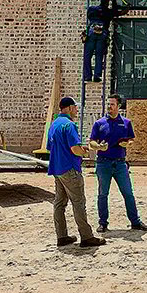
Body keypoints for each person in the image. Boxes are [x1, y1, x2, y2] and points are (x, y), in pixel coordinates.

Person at [46, 96, 107, 247]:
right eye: (75, 107)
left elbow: (50, 147)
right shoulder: (69, 125)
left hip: (57, 169)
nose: (76, 110)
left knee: (59, 203)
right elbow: (74, 149)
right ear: (68, 108)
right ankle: (86, 237)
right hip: (70, 169)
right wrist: (84, 152)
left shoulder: (53, 125)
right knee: (79, 202)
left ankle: (62, 236)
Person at [90, 94, 147, 234]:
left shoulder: (126, 123)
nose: (109, 107)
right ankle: (103, 223)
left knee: (128, 193)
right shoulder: (99, 123)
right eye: (108, 104)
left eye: (112, 104)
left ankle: (135, 222)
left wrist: (127, 143)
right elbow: (91, 142)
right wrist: (98, 147)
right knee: (103, 194)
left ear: (118, 106)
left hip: (121, 164)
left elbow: (131, 139)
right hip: (103, 163)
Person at [83, 0, 123, 83]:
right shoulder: (108, 12)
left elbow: (89, 16)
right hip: (102, 34)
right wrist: (127, 7)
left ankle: (87, 76)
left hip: (92, 33)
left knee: (87, 55)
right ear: (107, 3)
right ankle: (97, 76)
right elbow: (121, 13)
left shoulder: (92, 9)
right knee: (99, 55)